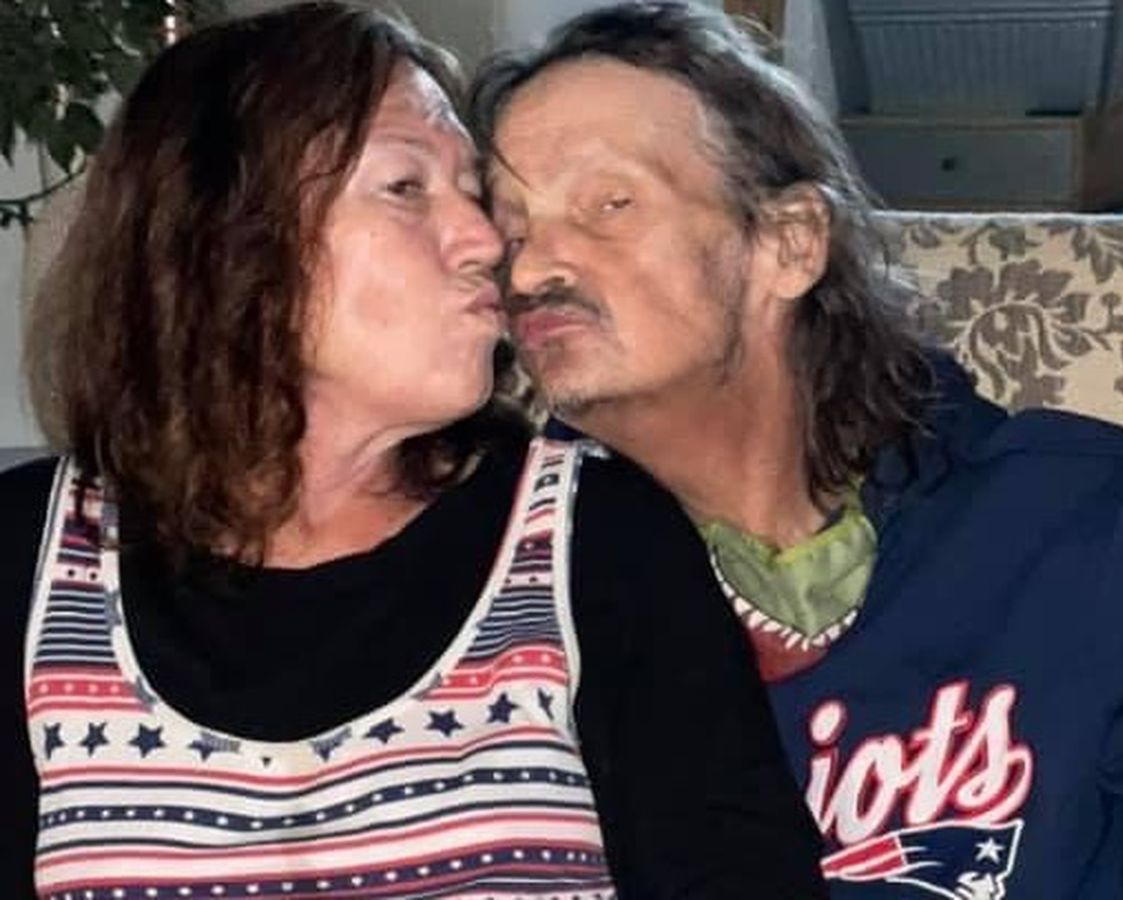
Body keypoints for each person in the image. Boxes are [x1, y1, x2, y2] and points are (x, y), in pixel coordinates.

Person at [0, 4, 829, 898]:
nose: (488, 243)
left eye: (471, 195)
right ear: (223, 236)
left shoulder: (595, 539)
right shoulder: (29, 561)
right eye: (405, 187)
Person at [470, 2, 1123, 897]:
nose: (531, 270)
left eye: (608, 205)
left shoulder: (1089, 520)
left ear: (790, 243)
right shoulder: (508, 609)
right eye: (511, 231)